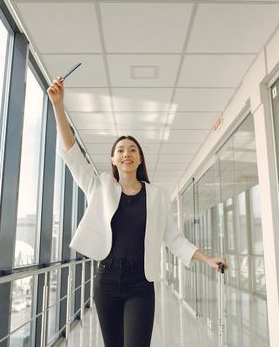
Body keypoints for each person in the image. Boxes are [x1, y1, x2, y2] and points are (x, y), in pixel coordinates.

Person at [47, 77, 227, 347]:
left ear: (140, 158)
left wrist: (209, 259)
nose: (126, 153)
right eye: (120, 150)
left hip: (140, 283)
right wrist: (59, 106)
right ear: (113, 159)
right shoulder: (100, 187)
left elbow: (174, 239)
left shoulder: (156, 196)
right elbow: (72, 155)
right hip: (106, 280)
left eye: (132, 149)